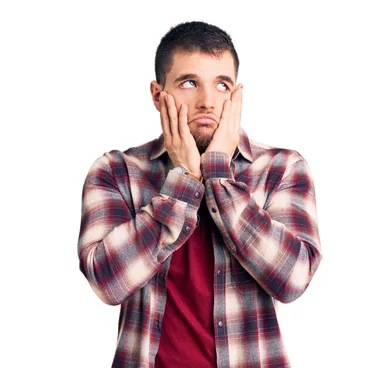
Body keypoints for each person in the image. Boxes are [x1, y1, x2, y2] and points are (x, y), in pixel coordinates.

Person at [77, 20, 322, 367]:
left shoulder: (282, 168)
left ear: (236, 95)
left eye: (222, 85)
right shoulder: (116, 171)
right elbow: (107, 282)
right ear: (158, 95)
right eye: (189, 83)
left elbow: (293, 279)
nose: (207, 102)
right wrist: (185, 179)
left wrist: (219, 175)